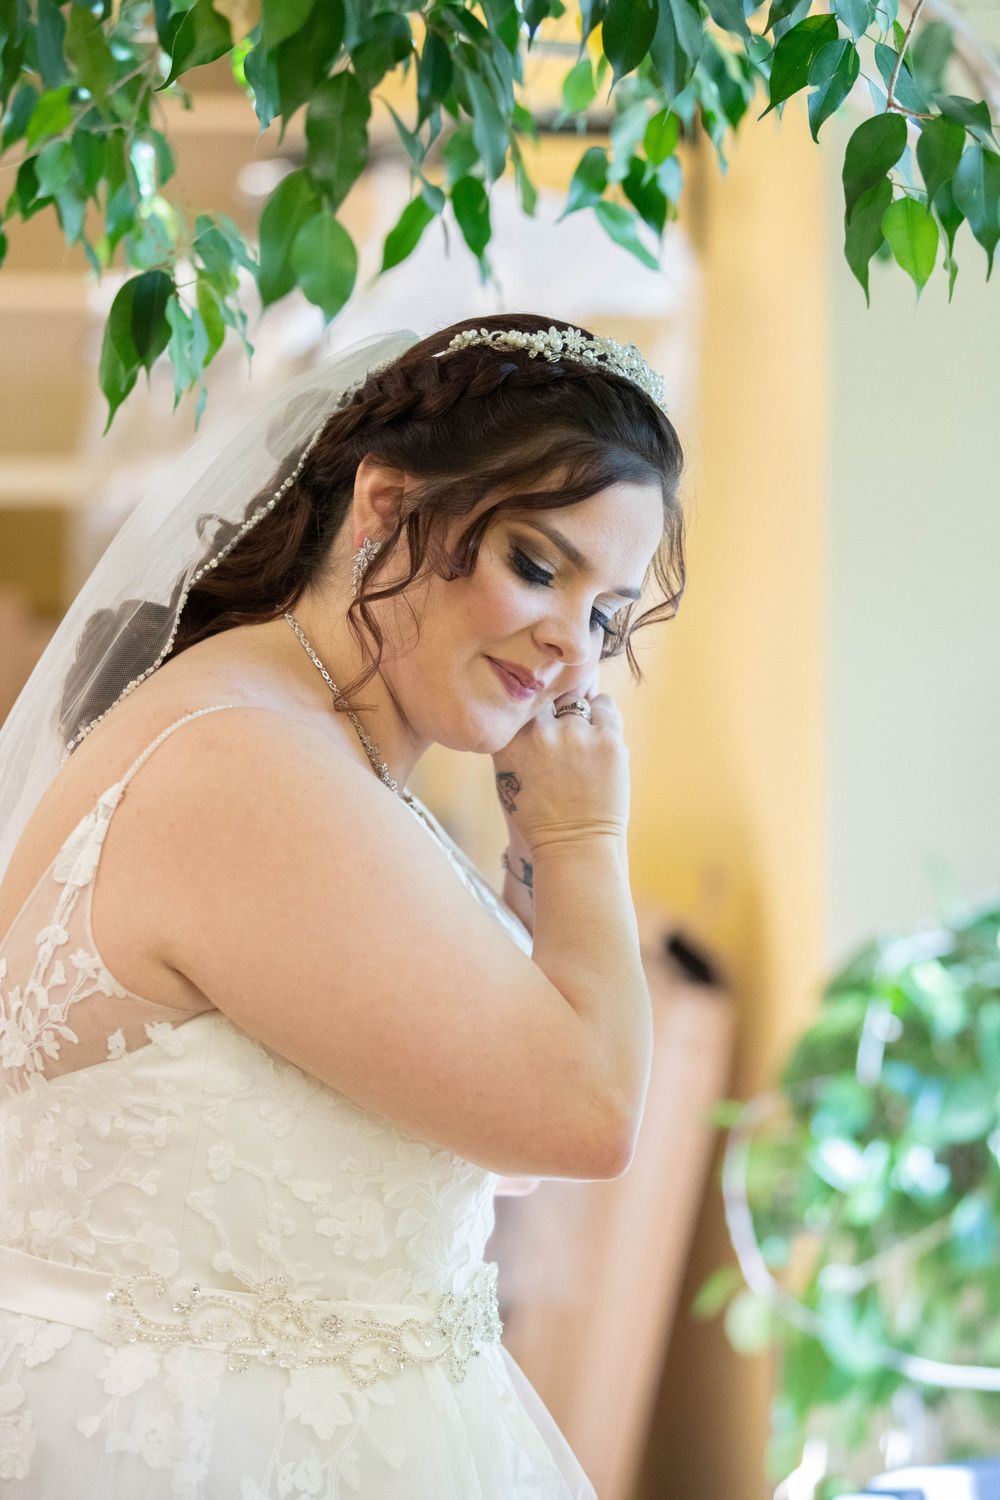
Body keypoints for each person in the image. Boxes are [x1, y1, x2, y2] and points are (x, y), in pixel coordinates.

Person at [0, 311, 685, 1496]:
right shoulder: (251, 767)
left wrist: (539, 851)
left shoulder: (317, 753)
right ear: (384, 507)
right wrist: (582, 841)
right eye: (537, 566)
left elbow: (497, 1138)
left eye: (605, 616)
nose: (570, 652)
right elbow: (586, 1116)